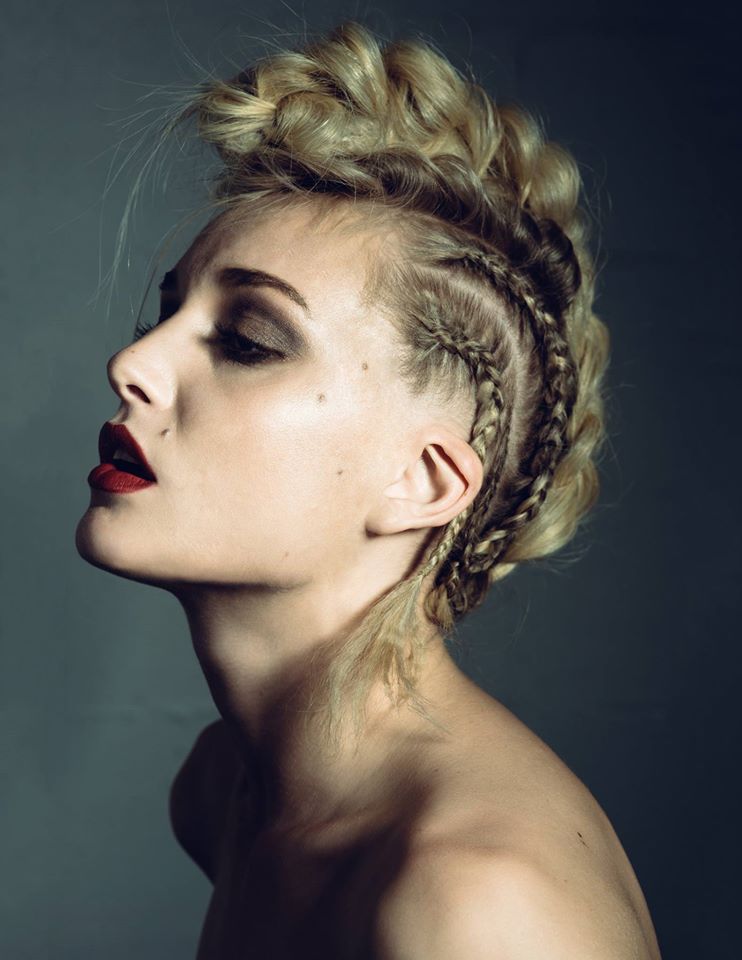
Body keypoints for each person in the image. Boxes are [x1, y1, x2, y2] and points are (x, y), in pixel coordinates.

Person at [75, 19, 662, 960]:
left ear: (423, 481)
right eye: (168, 310)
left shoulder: (471, 904)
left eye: (248, 342)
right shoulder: (225, 797)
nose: (132, 363)